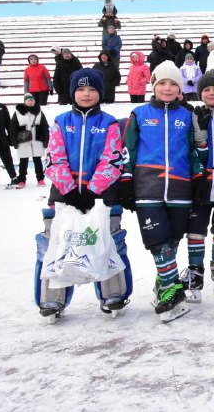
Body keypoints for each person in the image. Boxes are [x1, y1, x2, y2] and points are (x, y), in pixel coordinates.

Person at [39, 68, 132, 319]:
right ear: (73, 93)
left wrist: (92, 190)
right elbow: (53, 158)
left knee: (108, 240)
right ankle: (51, 300)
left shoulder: (109, 123)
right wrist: (70, 190)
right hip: (63, 194)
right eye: (81, 89)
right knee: (56, 242)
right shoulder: (60, 121)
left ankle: (114, 294)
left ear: (100, 93)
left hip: (100, 194)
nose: (87, 94)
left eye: (92, 89)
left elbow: (113, 160)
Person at [118, 60, 205, 322]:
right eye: (162, 83)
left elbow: (193, 151)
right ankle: (172, 289)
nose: (167, 89)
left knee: (172, 240)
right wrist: (126, 180)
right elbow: (128, 151)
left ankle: (163, 282)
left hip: (180, 188)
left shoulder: (187, 115)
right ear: (154, 86)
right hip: (148, 188)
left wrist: (198, 176)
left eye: (173, 84)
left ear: (180, 88)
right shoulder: (139, 114)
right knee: (157, 242)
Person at [179, 70, 214, 302]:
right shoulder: (195, 114)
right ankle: (195, 270)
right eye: (207, 90)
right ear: (200, 93)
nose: (211, 93)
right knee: (196, 228)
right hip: (201, 181)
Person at [10, 93, 49, 189]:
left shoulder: (39, 112)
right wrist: (14, 141)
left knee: (38, 161)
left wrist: (46, 140)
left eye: (32, 100)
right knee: (23, 161)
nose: (30, 102)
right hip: (23, 140)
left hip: (37, 139)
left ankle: (40, 179)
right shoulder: (18, 112)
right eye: (28, 100)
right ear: (25, 101)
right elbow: (13, 128)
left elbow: (45, 126)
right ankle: (22, 180)